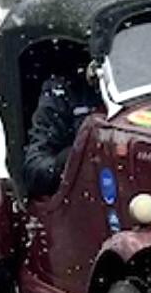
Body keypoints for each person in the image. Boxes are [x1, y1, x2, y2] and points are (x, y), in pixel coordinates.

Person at [24, 67, 100, 199]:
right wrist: (71, 159)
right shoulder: (62, 90)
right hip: (80, 199)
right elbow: (34, 166)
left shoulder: (137, 89)